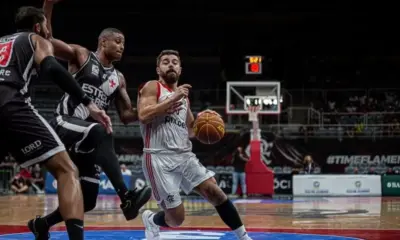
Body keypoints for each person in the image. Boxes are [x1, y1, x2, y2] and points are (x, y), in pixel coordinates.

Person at [27, 1, 152, 239]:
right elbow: (45, 40)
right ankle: (126, 197)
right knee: (101, 130)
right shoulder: (82, 55)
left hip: (87, 137)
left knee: (89, 198)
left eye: (124, 43)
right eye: (118, 41)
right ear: (103, 41)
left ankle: (42, 224)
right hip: (65, 122)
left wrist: (150, 107)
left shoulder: (119, 78)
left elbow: (126, 116)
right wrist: (48, 6)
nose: (121, 46)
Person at [0, 6, 112, 240]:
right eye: (47, 26)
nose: (49, 31)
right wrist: (88, 102)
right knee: (67, 170)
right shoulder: (35, 38)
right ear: (39, 26)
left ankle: (42, 226)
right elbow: (51, 68)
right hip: (11, 103)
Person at [137, 49, 252, 240]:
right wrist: (172, 99)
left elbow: (191, 130)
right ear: (158, 69)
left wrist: (207, 123)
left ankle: (244, 237)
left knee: (215, 193)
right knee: (176, 219)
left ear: (180, 69)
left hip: (184, 156)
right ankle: (151, 220)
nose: (171, 64)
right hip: (158, 157)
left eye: (175, 61)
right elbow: (143, 115)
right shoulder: (152, 87)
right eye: (165, 62)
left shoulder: (184, 98)